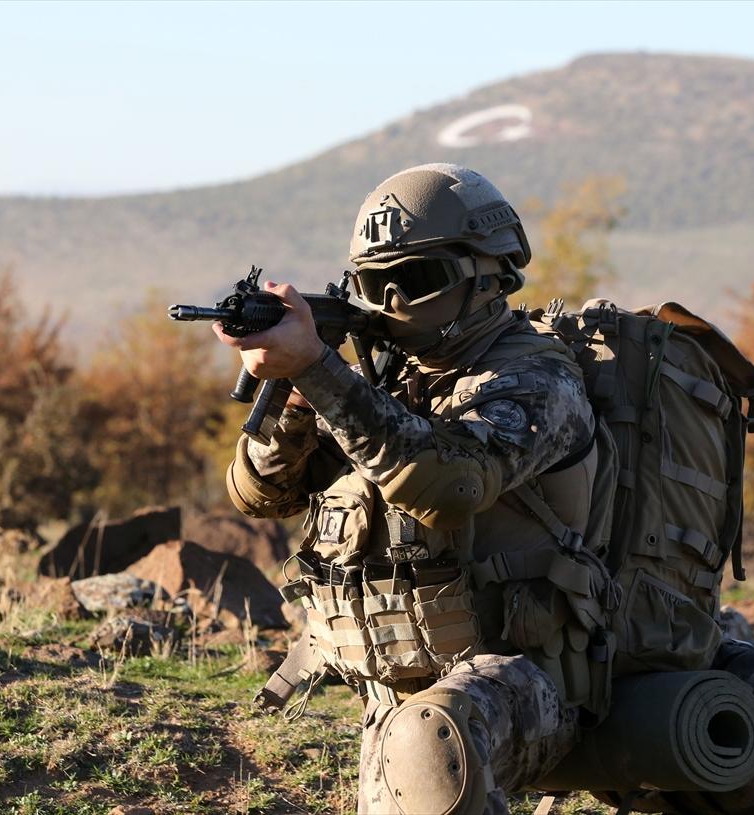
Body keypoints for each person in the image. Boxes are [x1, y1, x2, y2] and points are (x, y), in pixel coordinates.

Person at [213, 164, 616, 815]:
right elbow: (257, 494)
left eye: (417, 281)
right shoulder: (374, 383)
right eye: (376, 285)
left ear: (491, 273)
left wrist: (321, 371)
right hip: (394, 706)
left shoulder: (538, 378)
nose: (393, 303)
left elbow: (451, 481)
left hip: (524, 683)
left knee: (431, 744)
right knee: (420, 744)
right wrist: (295, 397)